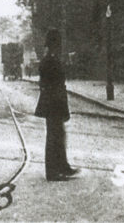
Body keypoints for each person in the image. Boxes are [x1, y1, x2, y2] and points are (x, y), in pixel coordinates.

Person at [34, 29, 78, 181]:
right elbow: (54, 84)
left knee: (58, 134)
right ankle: (53, 171)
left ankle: (62, 166)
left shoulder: (49, 59)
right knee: (54, 136)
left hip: (53, 102)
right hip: (53, 102)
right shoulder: (50, 60)